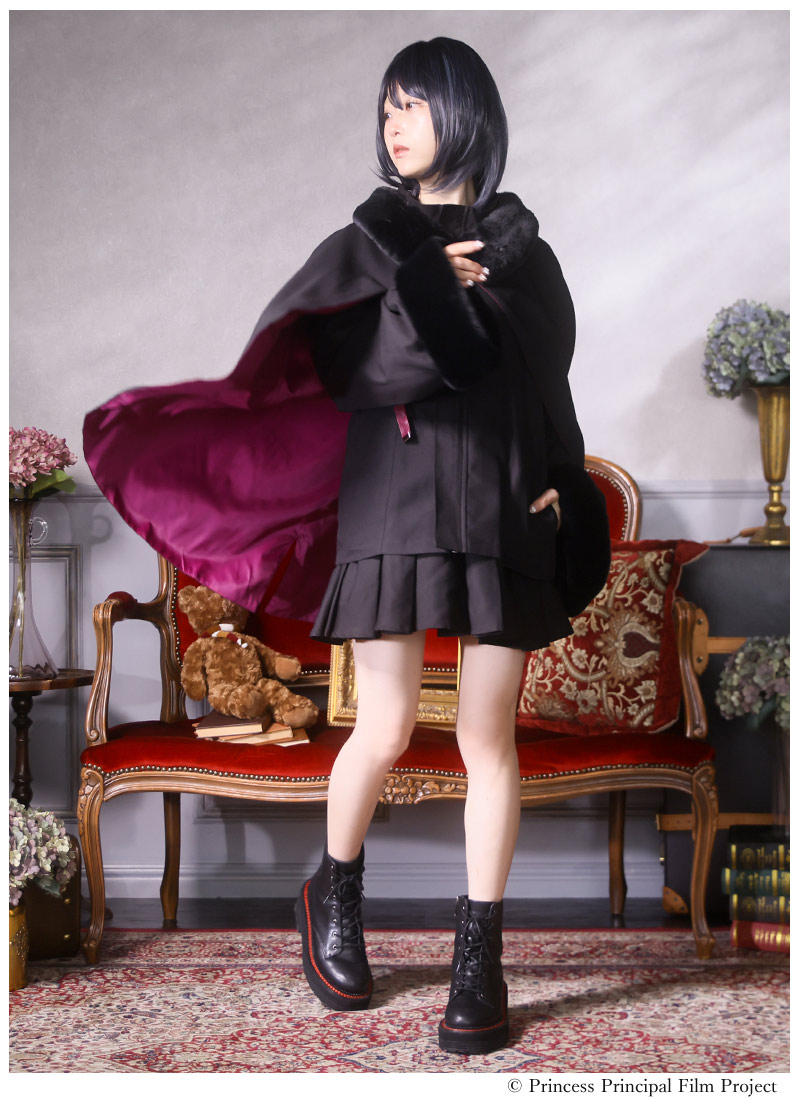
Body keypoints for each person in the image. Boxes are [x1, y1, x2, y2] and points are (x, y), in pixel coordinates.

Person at [83, 36, 609, 1057]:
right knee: (386, 723)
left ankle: (478, 957)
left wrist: (562, 474)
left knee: (487, 739)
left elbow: (548, 382)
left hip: (500, 509)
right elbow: (356, 375)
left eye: (412, 104)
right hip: (396, 504)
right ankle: (336, 895)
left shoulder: (525, 253)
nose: (393, 123)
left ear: (464, 111)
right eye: (386, 108)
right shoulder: (369, 244)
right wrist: (426, 286)